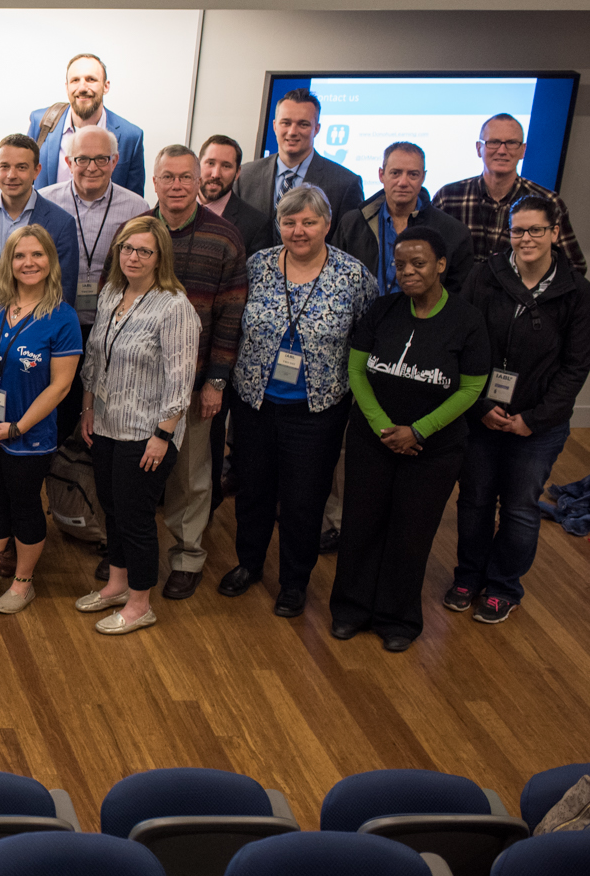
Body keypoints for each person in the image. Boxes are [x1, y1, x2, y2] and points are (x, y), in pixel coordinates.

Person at [330, 226, 489, 651]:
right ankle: (351, 609)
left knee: (411, 534)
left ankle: (397, 618)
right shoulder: (382, 310)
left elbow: (472, 388)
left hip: (433, 450)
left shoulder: (467, 320)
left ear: (441, 265)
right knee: (360, 526)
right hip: (373, 441)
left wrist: (418, 431)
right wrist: (384, 426)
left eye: (419, 263)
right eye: (400, 265)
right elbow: (356, 370)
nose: (408, 272)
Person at [221, 184, 375, 617]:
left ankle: (294, 582)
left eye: (309, 221)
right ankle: (249, 564)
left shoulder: (353, 276)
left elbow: (367, 339)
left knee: (303, 500)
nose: (299, 230)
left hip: (316, 410)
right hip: (254, 402)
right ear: (278, 224)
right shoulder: (258, 266)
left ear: (327, 224)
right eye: (289, 222)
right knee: (253, 490)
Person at [453, 195, 590, 624]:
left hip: (538, 425)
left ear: (554, 233)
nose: (526, 238)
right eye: (518, 230)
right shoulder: (484, 276)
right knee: (474, 500)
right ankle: (468, 576)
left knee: (519, 507)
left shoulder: (577, 292)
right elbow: (462, 343)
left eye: (535, 230)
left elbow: (576, 366)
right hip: (482, 415)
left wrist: (534, 419)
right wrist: (481, 405)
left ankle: (503, 587)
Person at [73, 217, 200, 635]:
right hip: (107, 423)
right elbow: (95, 358)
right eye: (127, 248)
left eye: (144, 251)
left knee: (136, 517)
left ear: (160, 257)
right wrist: (88, 407)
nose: (133, 257)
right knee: (111, 507)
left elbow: (181, 380)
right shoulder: (113, 293)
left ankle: (140, 603)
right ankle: (117, 584)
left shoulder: (175, 306)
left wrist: (163, 435)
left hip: (147, 433)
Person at [0, 225, 81, 614]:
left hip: (28, 435)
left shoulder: (63, 317)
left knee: (24, 505)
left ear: (51, 261)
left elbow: (60, 386)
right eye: (20, 255)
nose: (28, 262)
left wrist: (17, 427)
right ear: (8, 261)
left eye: (37, 254)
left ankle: (23, 583)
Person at [143, 146, 249, 600]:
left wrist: (216, 382)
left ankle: (187, 557)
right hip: (138, 381)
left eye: (186, 177)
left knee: (190, 476)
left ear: (198, 181)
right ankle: (127, 551)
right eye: (168, 177)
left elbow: (231, 316)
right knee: (132, 470)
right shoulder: (138, 232)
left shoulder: (224, 237)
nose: (177, 185)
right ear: (154, 182)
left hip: (193, 382)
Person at [40, 125, 150, 443]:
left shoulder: (137, 208)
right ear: (69, 161)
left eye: (101, 159)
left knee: (101, 410)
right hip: (55, 323)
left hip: (111, 326)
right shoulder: (46, 202)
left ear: (115, 161)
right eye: (83, 159)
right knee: (56, 406)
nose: (92, 167)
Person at [433, 112, 587, 273]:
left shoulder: (548, 202)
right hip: (460, 289)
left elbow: (575, 267)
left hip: (521, 290)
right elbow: (427, 257)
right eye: (493, 142)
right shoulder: (448, 198)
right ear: (479, 148)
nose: (502, 150)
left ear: (523, 151)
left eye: (512, 143)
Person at [331, 141, 473, 293]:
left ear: (423, 177)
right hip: (364, 309)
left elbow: (456, 296)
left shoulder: (452, 232)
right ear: (381, 175)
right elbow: (333, 277)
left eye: (413, 174)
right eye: (395, 173)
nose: (403, 182)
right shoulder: (352, 224)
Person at [0, 133, 81, 301]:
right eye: (4, 166)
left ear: (36, 171)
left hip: (39, 316)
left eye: (21, 167)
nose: (11, 175)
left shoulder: (62, 223)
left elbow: (64, 291)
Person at [231, 88, 365, 239]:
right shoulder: (245, 177)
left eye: (303, 124)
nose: (292, 132)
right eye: (286, 123)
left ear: (316, 129)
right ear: (275, 126)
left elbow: (348, 244)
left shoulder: (346, 184)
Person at [30, 53, 147, 196]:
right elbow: (26, 180)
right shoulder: (41, 123)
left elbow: (134, 202)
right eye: (75, 80)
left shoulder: (131, 137)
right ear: (67, 87)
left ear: (106, 86)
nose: (82, 88)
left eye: (91, 79)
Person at [197, 133, 273, 253]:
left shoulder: (256, 226)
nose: (216, 174)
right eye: (210, 163)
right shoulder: (172, 207)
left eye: (226, 166)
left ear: (237, 173)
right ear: (197, 165)